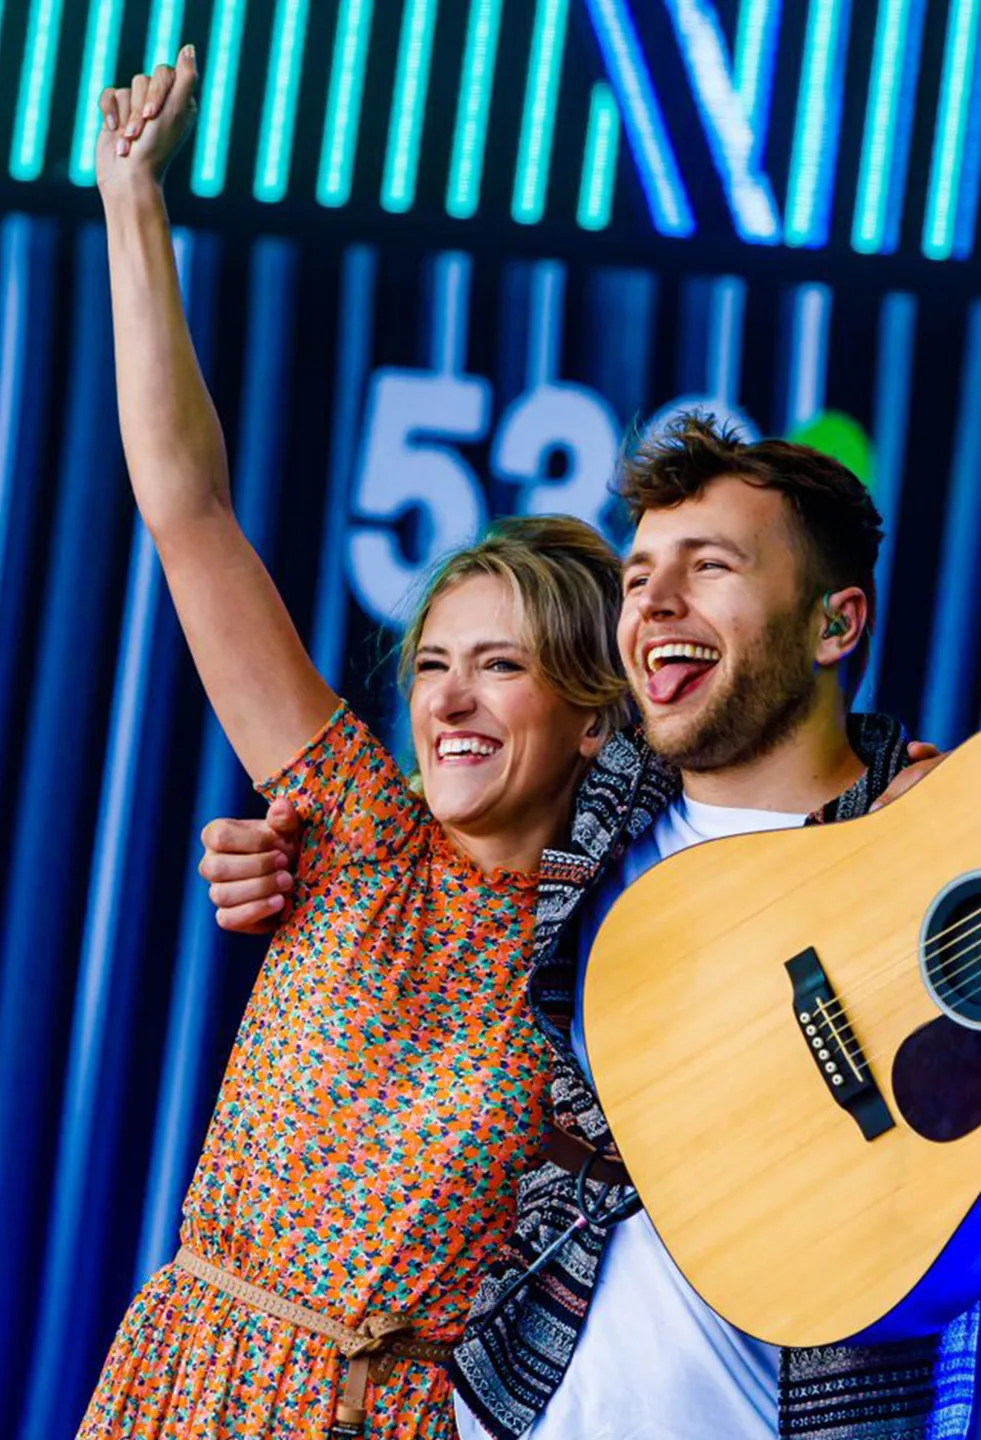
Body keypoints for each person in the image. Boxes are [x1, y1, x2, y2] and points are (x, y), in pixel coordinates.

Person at [202, 416, 981, 1438]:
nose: (654, 603)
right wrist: (294, 865)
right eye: (638, 576)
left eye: (709, 568)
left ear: (836, 626)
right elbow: (445, 800)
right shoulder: (594, 812)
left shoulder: (946, 830)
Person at [82, 53, 632, 1440]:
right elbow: (187, 508)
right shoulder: (356, 832)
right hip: (191, 1379)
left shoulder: (623, 950)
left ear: (591, 709)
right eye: (433, 664)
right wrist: (129, 201)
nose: (447, 700)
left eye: (499, 667)